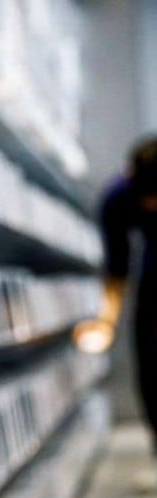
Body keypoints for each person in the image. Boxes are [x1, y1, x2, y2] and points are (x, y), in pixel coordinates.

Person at [75, 135, 157, 433]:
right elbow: (117, 268)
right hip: (152, 276)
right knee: (150, 368)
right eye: (146, 196)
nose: (151, 204)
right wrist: (106, 322)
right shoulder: (118, 198)